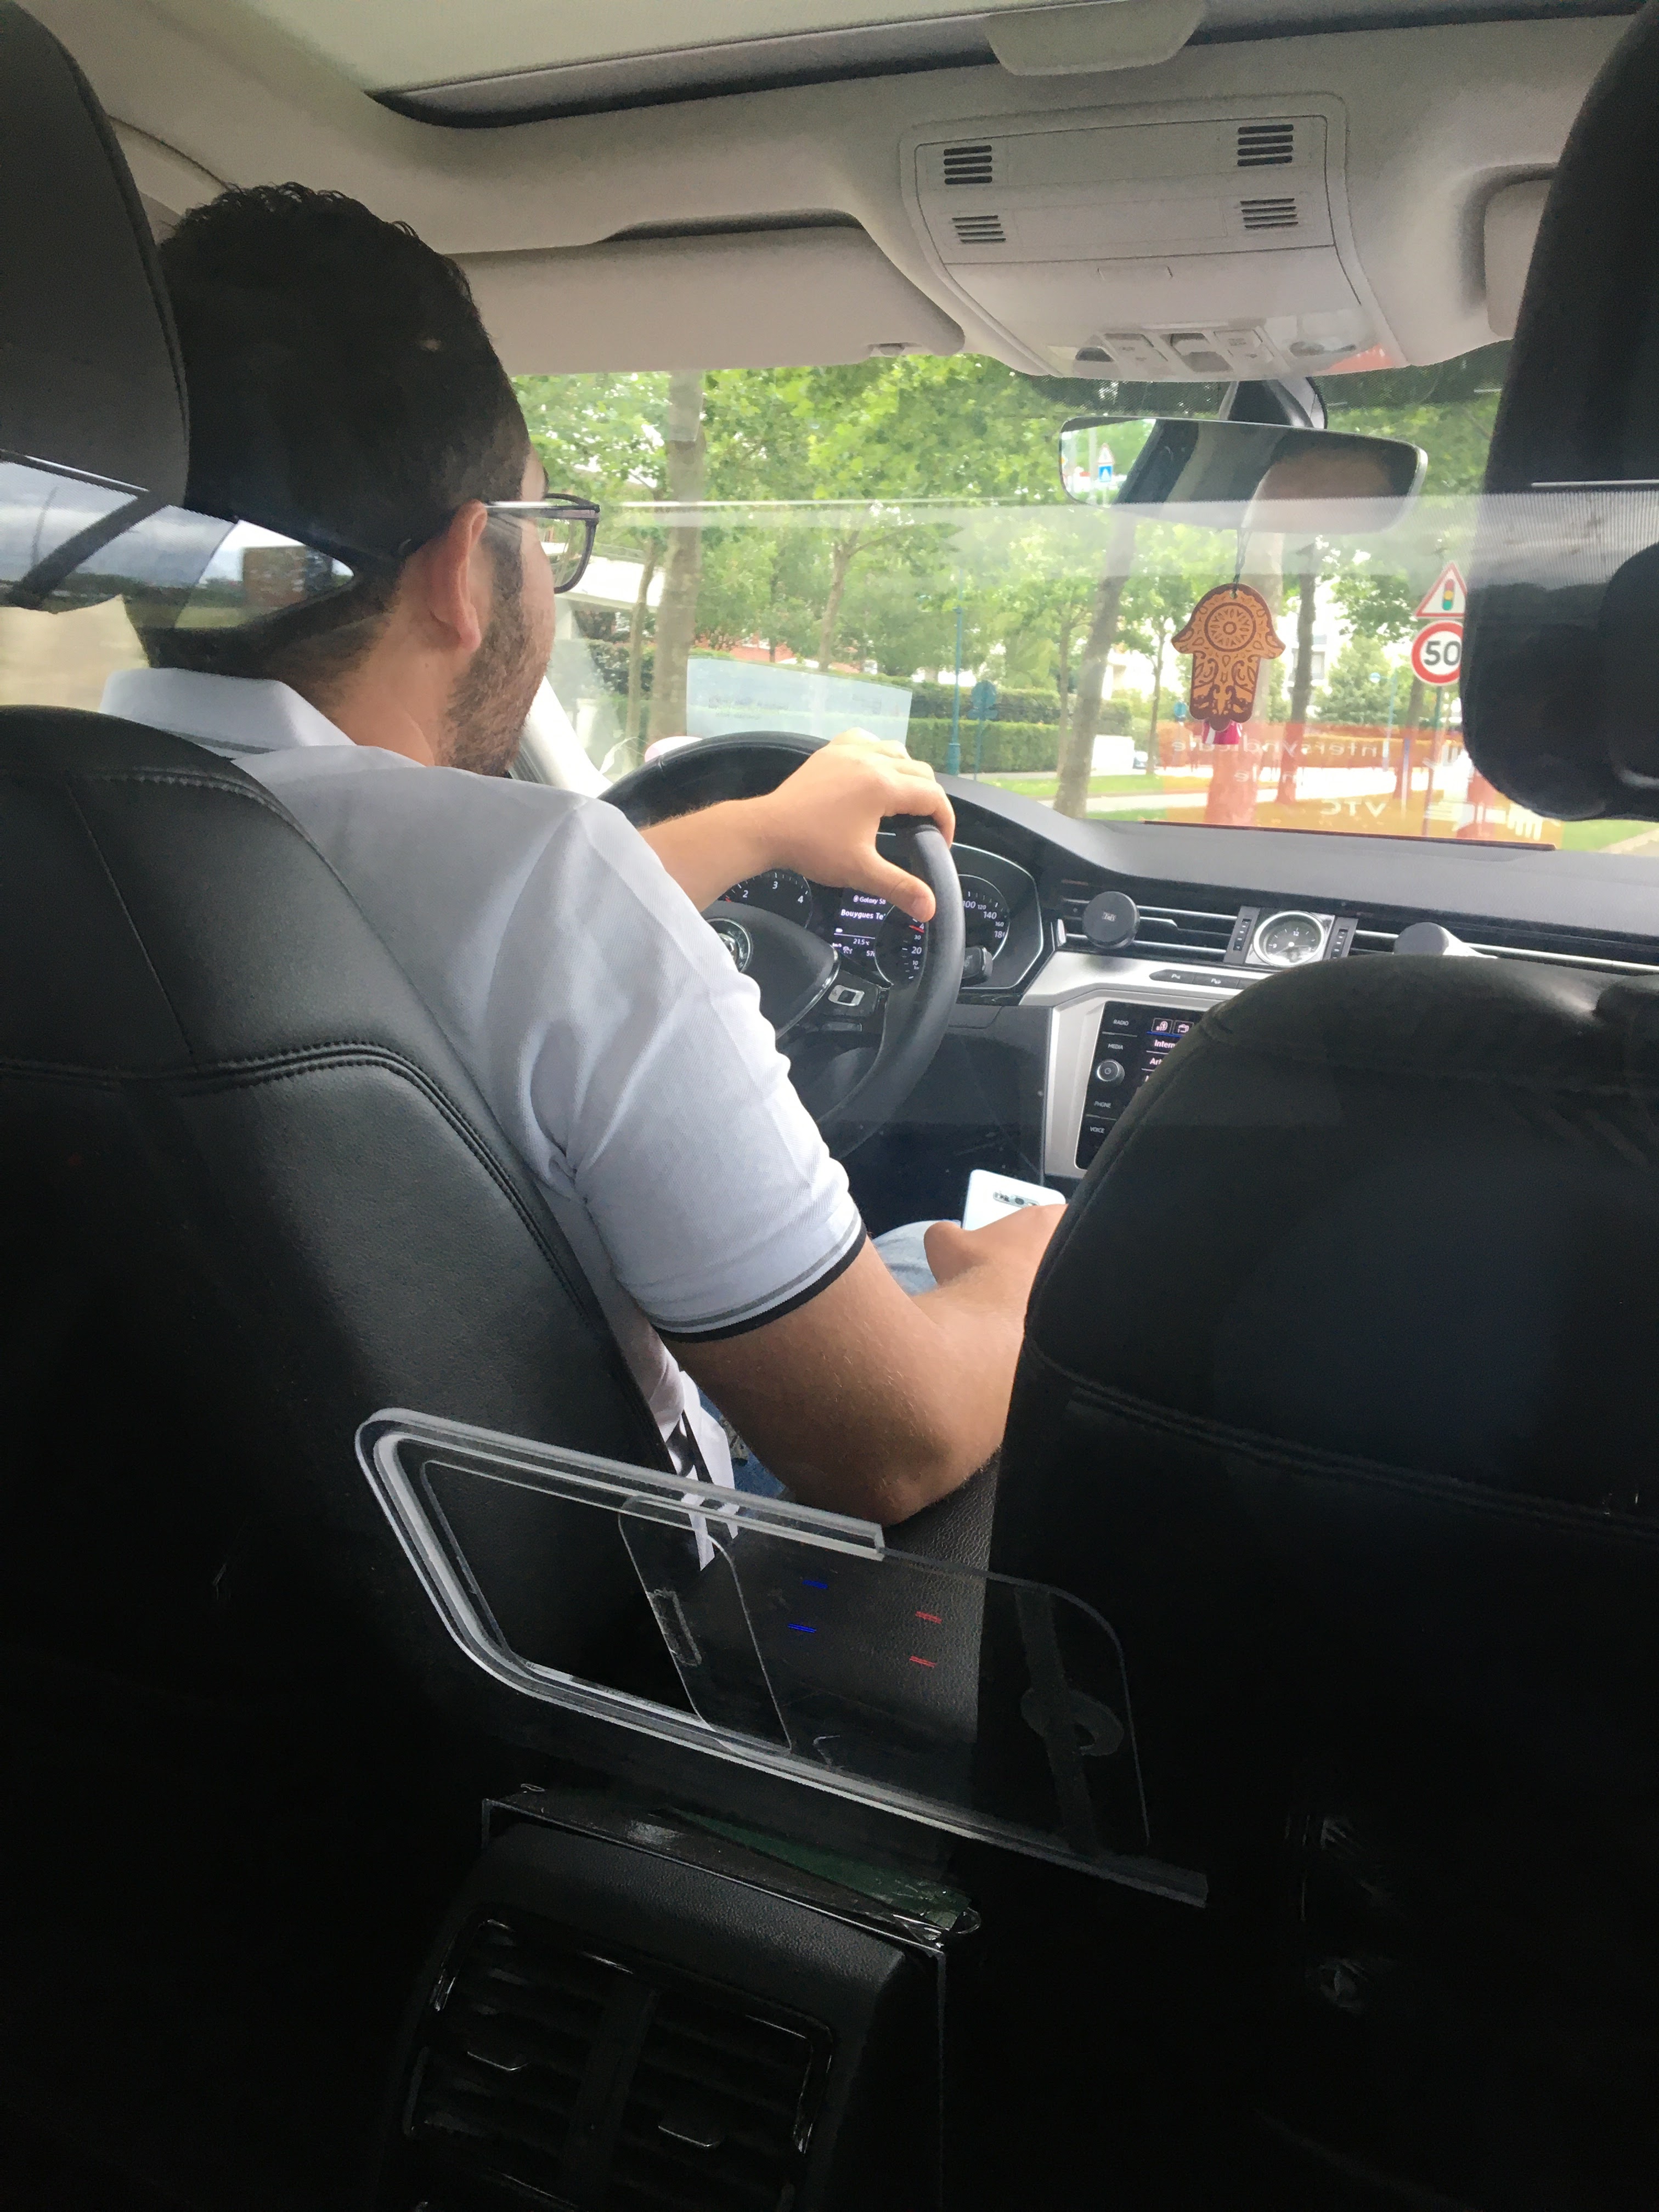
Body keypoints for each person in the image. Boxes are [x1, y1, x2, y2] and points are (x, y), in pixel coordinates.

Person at [100, 184, 1061, 1526]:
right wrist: (1027, 1281)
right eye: (541, 529)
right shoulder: (543, 882)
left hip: (170, 1563)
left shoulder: (64, 820)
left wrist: (753, 832)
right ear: (463, 566)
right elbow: (889, 1448)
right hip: (576, 1606)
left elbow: (446, 949)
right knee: (950, 1268)